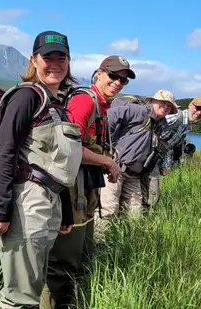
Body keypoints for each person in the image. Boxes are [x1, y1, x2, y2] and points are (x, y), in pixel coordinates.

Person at [0, 30, 83, 309]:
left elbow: (59, 166)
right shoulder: (26, 97)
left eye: (61, 57)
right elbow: (4, 152)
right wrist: (3, 211)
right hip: (25, 202)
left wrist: (64, 209)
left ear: (69, 61)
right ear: (33, 60)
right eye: (47, 57)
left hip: (48, 202)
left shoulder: (57, 105)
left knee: (34, 284)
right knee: (19, 297)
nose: (55, 63)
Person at [41, 55, 134, 308]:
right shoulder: (85, 101)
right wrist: (107, 162)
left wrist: (105, 161)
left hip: (84, 193)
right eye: (113, 76)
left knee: (80, 255)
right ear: (99, 74)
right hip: (71, 193)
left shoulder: (102, 106)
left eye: (123, 80)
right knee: (62, 262)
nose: (118, 82)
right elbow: (70, 149)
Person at [100, 89, 179, 217]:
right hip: (116, 168)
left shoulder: (160, 124)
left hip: (134, 175)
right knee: (108, 210)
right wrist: (106, 148)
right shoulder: (139, 111)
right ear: (153, 101)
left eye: (169, 106)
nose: (165, 107)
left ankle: (125, 237)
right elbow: (109, 116)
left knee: (135, 216)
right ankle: (97, 238)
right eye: (163, 102)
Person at [141, 96, 201, 209]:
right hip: (145, 156)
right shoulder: (176, 116)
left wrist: (165, 165)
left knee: (148, 195)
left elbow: (168, 145)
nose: (199, 112)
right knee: (151, 196)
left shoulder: (186, 126)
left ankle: (136, 219)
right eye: (198, 108)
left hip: (154, 160)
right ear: (191, 105)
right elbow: (151, 126)